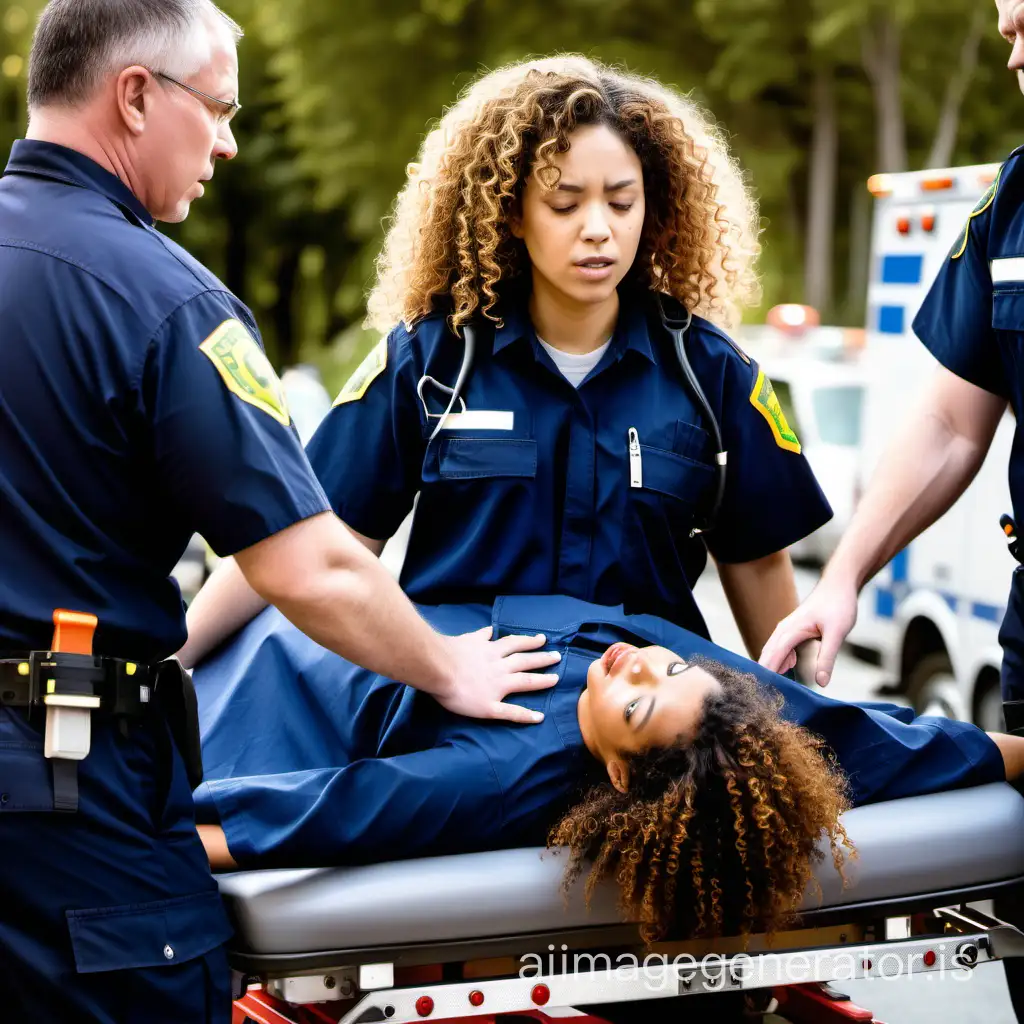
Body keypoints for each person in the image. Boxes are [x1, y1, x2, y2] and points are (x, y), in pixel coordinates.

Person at [0, 3, 558, 1021]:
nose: (227, 140)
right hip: (67, 794)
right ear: (134, 95)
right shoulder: (166, 303)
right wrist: (448, 665)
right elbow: (309, 565)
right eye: (216, 108)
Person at [179, 55, 833, 674]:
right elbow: (312, 552)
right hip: (462, 727)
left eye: (621, 201)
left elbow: (762, 578)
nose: (598, 228)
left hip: (642, 734)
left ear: (653, 207)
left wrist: (818, 753)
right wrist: (173, 661)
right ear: (512, 213)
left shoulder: (712, 374)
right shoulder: (429, 361)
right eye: (565, 202)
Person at [192, 594, 1021, 946]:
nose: (635, 667)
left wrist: (122, 835)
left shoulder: (501, 773)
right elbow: (859, 739)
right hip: (322, 625)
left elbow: (334, 811)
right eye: (662, 671)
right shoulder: (696, 695)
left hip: (280, 681)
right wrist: (1013, 756)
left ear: (622, 776)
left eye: (635, 705)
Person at [759, 0, 1024, 701]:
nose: (1015, 59)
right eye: (1009, 33)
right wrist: (841, 579)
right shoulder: (1010, 207)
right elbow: (949, 423)